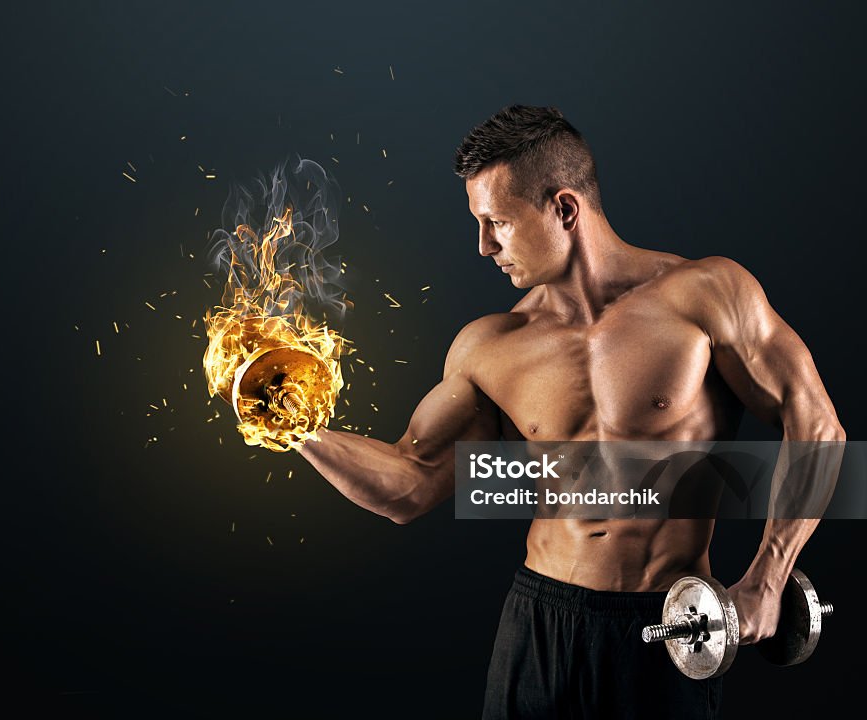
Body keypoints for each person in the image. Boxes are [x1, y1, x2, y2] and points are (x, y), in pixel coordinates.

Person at [296, 105, 845, 719]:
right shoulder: (489, 345)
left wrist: (769, 579)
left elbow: (817, 424)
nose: (483, 246)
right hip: (539, 625)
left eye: (497, 222)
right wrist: (290, 426)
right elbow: (410, 485)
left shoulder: (706, 296)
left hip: (664, 627)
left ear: (564, 209)